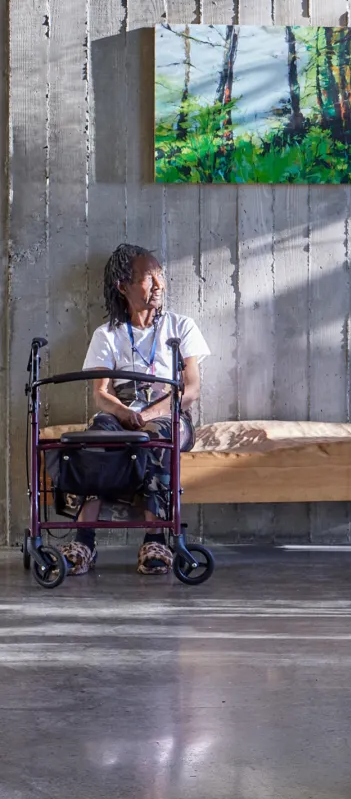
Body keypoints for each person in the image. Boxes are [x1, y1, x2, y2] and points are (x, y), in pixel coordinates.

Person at [59, 244, 209, 576]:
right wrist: (125, 414)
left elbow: (192, 389)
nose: (159, 285)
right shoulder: (107, 334)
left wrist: (152, 414)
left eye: (161, 276)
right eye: (148, 278)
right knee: (95, 440)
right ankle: (84, 541)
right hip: (123, 413)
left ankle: (155, 539)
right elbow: (101, 394)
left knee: (153, 440)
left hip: (168, 413)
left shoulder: (180, 327)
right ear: (122, 286)